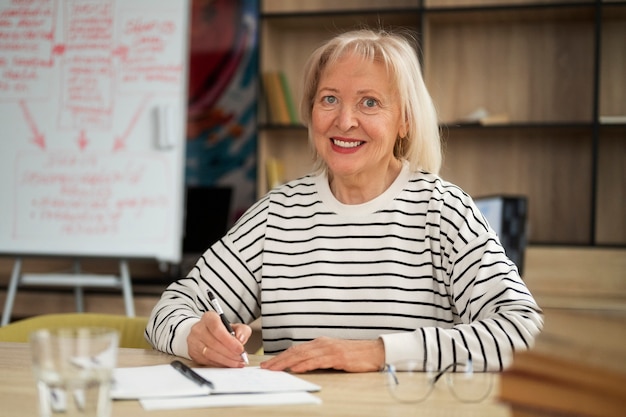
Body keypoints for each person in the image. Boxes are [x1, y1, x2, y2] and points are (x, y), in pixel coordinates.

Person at [146, 28, 543, 374]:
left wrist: (378, 352)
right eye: (329, 99)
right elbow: (170, 310)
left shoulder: (443, 211)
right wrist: (196, 337)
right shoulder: (278, 213)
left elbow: (524, 330)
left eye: (369, 102)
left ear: (404, 119)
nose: (345, 121)